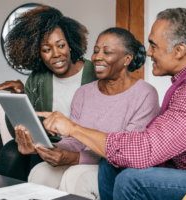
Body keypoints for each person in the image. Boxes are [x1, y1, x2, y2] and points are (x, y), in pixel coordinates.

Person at [36, 8, 186, 200]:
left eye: (153, 45)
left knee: (131, 179)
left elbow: (146, 151)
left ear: (180, 50)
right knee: (111, 163)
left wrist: (73, 128)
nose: (149, 52)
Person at [28, 27, 160, 199]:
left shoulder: (145, 94)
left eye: (107, 52)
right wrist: (51, 149)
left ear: (127, 58)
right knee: (40, 173)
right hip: (82, 160)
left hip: (114, 169)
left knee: (76, 177)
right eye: (96, 51)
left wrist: (75, 158)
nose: (97, 57)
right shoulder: (83, 93)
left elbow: (127, 154)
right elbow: (73, 142)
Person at [0, 5, 97, 182]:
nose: (56, 54)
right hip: (47, 145)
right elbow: (19, 131)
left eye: (61, 45)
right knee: (11, 151)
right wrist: (20, 97)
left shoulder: (95, 73)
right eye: (46, 49)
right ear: (38, 53)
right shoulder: (38, 78)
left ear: (70, 44)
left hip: (83, 144)